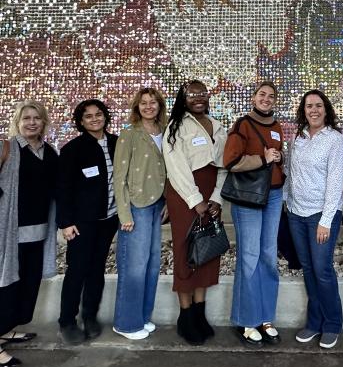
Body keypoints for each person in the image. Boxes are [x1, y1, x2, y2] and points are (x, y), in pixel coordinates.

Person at [163, 80, 227, 345]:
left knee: (207, 251)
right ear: (183, 98)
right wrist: (195, 200)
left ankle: (200, 313)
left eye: (202, 94)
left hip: (211, 195)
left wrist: (216, 198)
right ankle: (185, 316)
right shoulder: (176, 127)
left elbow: (225, 166)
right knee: (186, 251)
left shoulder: (218, 125)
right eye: (192, 95)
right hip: (185, 195)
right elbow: (176, 168)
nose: (198, 98)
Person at [285, 89, 343, 349]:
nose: (314, 110)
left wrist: (325, 219)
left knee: (322, 270)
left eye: (318, 105)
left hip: (322, 215)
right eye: (309, 106)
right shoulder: (297, 138)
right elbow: (290, 171)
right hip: (296, 213)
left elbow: (335, 182)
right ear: (303, 110)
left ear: (326, 109)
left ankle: (332, 324)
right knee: (308, 269)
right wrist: (287, 203)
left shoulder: (335, 140)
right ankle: (314, 322)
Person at [224, 81, 284, 346]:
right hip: (248, 199)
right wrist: (264, 159)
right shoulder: (242, 125)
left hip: (273, 196)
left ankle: (266, 316)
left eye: (271, 96)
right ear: (253, 97)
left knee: (269, 257)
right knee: (249, 257)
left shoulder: (277, 126)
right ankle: (247, 320)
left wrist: (278, 159)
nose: (266, 99)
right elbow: (231, 162)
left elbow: (275, 155)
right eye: (262, 94)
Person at [0, 101, 58, 367]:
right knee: (6, 286)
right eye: (26, 118)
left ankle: (7, 329)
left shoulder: (50, 153)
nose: (32, 122)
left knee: (27, 284)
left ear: (44, 122)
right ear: (18, 122)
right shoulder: (7, 148)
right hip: (9, 232)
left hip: (39, 232)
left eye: (37, 118)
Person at [57, 99, 119, 344]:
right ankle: (67, 322)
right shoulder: (73, 149)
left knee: (97, 271)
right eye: (89, 116)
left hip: (108, 220)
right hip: (83, 223)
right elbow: (63, 189)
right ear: (81, 122)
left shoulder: (117, 143)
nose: (95, 119)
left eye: (99, 114)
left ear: (105, 116)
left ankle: (90, 316)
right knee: (77, 271)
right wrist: (66, 222)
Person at [112, 88, 168, 340]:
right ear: (137, 107)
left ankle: (143, 316)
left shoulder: (164, 132)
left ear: (159, 106)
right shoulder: (129, 133)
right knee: (134, 266)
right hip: (137, 205)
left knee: (152, 264)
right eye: (143, 103)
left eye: (152, 102)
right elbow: (119, 176)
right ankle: (126, 323)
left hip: (157, 204)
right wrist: (124, 213)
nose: (148, 107)